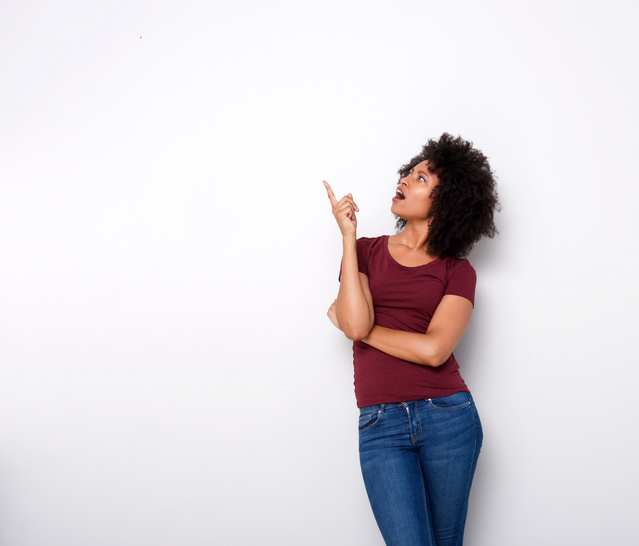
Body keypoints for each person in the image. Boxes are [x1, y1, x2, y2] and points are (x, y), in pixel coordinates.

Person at [323, 133, 500, 546]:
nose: (404, 179)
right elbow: (354, 324)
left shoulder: (457, 271)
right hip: (380, 424)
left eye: (421, 178)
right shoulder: (364, 251)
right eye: (409, 172)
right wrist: (347, 236)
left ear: (447, 202)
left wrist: (361, 329)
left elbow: (435, 350)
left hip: (448, 416)